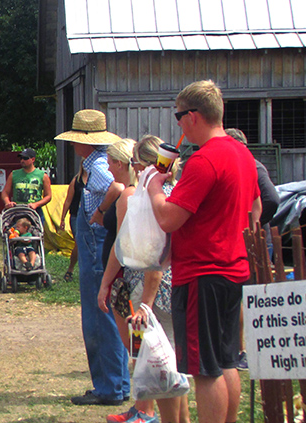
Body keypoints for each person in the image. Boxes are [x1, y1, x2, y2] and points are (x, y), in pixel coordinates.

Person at [147, 80, 260, 423]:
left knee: (205, 369)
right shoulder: (242, 153)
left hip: (202, 273)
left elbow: (168, 218)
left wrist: (155, 188)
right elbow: (255, 207)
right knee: (226, 360)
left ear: (193, 117)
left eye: (179, 116)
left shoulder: (204, 160)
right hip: (233, 267)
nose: (178, 124)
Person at [97, 136, 190, 423]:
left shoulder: (145, 198)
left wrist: (143, 303)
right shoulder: (175, 191)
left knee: (152, 360)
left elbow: (150, 253)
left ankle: (150, 415)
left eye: (135, 162)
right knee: (167, 362)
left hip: (147, 290)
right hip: (173, 285)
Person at [54, 109, 129, 406]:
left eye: (75, 140)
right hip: (95, 244)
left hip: (96, 246)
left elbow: (118, 187)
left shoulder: (97, 165)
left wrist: (99, 213)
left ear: (86, 141)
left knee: (99, 317)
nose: (72, 145)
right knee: (108, 315)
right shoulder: (94, 163)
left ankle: (109, 388)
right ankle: (118, 384)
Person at [225, 127, 280, 371]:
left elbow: (271, 199)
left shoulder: (253, 167)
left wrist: (252, 226)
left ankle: (246, 351)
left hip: (252, 240)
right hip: (249, 238)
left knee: (247, 296)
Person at [2, 147, 52, 212]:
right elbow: (5, 192)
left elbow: (48, 196)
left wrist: (36, 204)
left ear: (33, 159)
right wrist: (8, 202)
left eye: (25, 158)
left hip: (35, 210)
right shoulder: (14, 174)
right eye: (21, 158)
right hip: (18, 209)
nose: (22, 160)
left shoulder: (43, 175)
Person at [59, 165, 86, 282]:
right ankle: (71, 269)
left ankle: (85, 271)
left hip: (90, 216)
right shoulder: (76, 181)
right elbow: (68, 200)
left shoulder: (96, 179)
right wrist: (62, 218)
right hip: (76, 216)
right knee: (79, 243)